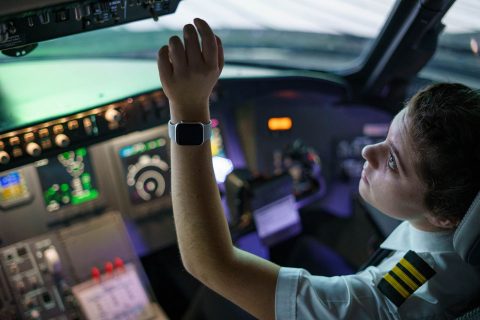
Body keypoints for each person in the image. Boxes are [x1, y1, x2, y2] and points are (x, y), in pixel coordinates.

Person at [157, 18, 480, 319]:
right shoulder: (457, 226)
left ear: (446, 217)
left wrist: (188, 111)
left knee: (218, 301)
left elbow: (210, 264)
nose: (369, 151)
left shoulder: (389, 305)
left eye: (393, 161)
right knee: (302, 248)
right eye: (386, 137)